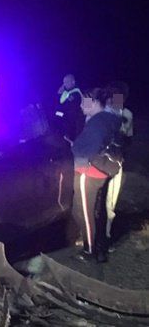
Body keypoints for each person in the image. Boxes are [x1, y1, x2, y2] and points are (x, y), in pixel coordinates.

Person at [71, 86, 122, 262]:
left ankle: (89, 250)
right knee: (82, 210)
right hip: (99, 171)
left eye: (84, 101)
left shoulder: (97, 123)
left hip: (89, 172)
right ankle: (98, 243)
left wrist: (75, 146)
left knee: (84, 212)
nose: (80, 105)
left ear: (93, 102)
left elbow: (84, 148)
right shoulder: (108, 118)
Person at [104, 81, 134, 240]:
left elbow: (128, 139)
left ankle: (106, 234)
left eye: (118, 97)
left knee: (110, 200)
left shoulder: (127, 114)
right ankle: (95, 235)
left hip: (116, 162)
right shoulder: (102, 113)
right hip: (99, 163)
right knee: (100, 199)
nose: (114, 100)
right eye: (112, 96)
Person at [53, 74, 85, 142]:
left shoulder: (76, 92)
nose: (64, 84)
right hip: (71, 122)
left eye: (66, 82)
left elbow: (66, 106)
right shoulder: (67, 92)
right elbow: (60, 102)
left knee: (78, 141)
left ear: (73, 82)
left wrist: (59, 95)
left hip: (78, 123)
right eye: (64, 82)